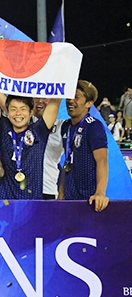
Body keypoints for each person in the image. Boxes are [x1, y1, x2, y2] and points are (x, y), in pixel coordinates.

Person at [0, 91, 60, 200]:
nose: (18, 113)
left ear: (31, 112)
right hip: (6, 201)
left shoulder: (39, 131)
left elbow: (55, 102)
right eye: (13, 109)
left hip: (33, 203)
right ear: (7, 112)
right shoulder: (3, 128)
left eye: (23, 109)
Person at [60, 80, 109, 211]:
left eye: (76, 97)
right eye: (69, 96)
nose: (70, 100)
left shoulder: (94, 126)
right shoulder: (66, 126)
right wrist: (61, 193)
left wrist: (100, 193)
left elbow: (102, 160)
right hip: (69, 199)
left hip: (89, 200)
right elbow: (67, 161)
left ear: (89, 103)